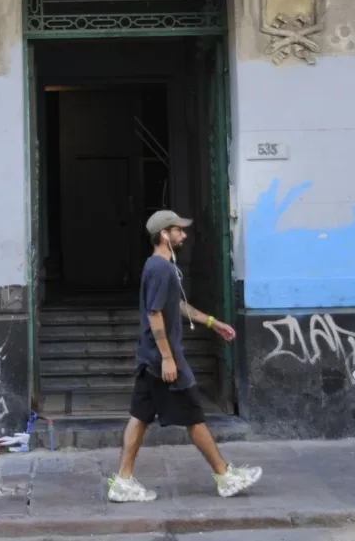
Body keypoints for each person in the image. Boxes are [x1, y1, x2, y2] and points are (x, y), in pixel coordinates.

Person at [107, 210, 263, 503]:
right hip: (162, 360)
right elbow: (154, 314)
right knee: (194, 417)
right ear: (165, 234)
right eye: (179, 230)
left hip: (149, 358)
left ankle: (123, 481)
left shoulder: (161, 267)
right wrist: (168, 358)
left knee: (139, 418)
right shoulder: (160, 269)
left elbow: (175, 305)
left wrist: (212, 323)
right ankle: (225, 475)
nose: (184, 235)